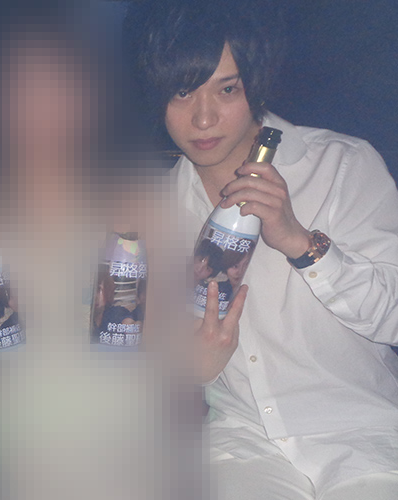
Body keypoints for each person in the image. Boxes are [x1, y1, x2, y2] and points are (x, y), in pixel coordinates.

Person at [131, 0, 398, 498]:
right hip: (239, 443)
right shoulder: (153, 208)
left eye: (227, 89)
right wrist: (186, 366)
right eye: (183, 92)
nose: (203, 118)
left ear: (257, 84)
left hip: (360, 434)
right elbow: (140, 355)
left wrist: (302, 243)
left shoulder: (340, 166)